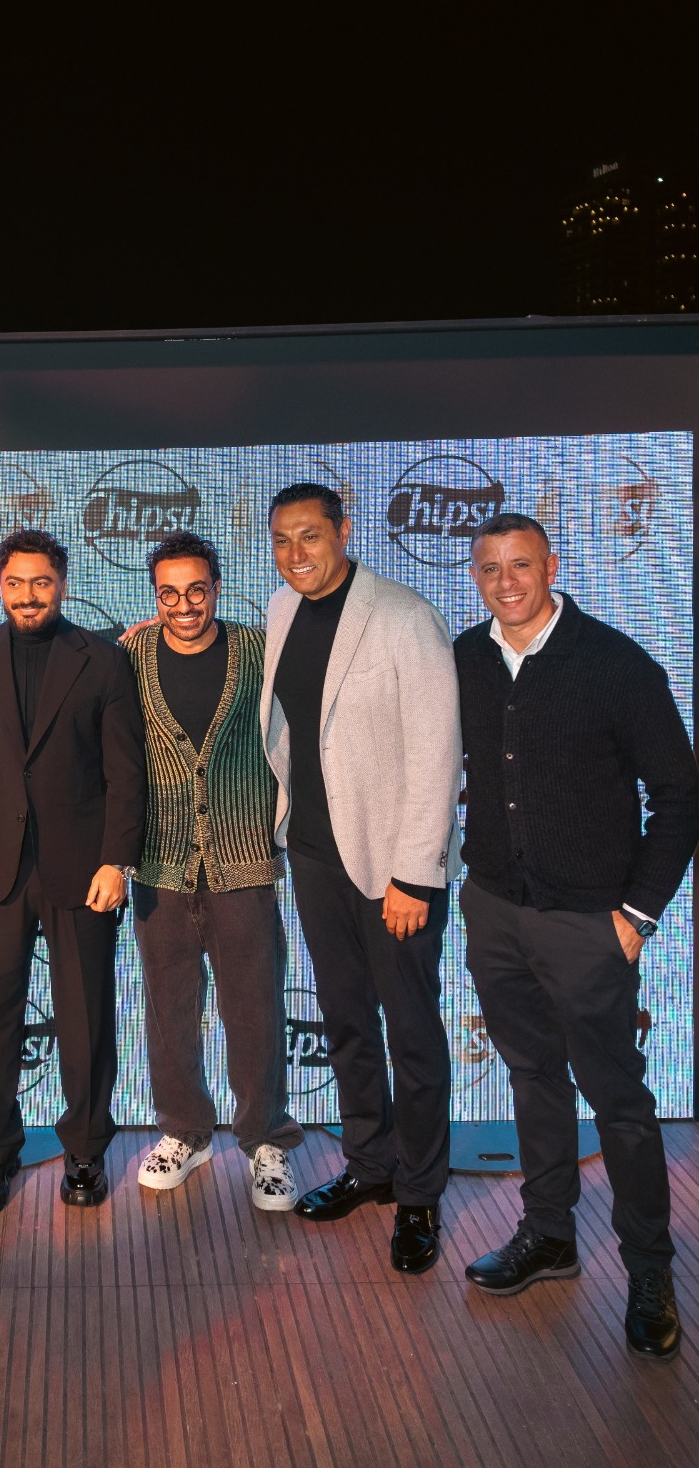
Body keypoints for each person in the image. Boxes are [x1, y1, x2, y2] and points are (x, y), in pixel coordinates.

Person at [456, 512, 699, 1360]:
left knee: (620, 1105)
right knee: (532, 1079)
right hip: (494, 911)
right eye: (490, 568)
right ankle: (550, 1234)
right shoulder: (466, 657)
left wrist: (637, 916)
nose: (507, 582)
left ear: (551, 566)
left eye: (521, 564)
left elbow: (680, 796)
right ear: (476, 576)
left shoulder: (617, 664)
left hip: (591, 925)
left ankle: (650, 1271)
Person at [260, 481, 461, 1273]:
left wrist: (415, 874)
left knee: (411, 1033)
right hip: (314, 856)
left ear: (343, 531)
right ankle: (370, 1164)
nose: (295, 553)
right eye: (282, 540)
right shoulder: (281, 610)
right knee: (346, 1023)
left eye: (309, 535)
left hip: (393, 872)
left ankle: (419, 1193)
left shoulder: (405, 617)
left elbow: (438, 754)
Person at [0, 528, 146, 1217]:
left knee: (86, 1020)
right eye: (15, 583)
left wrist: (116, 860)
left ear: (63, 584)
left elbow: (125, 773)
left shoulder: (103, 660)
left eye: (41, 582)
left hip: (83, 871)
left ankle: (85, 1149)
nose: (28, 596)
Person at [124, 531, 304, 1207]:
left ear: (217, 588)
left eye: (196, 590)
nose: (184, 605)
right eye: (169, 593)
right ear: (155, 596)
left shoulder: (260, 650)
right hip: (159, 862)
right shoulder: (129, 656)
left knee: (254, 1007)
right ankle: (184, 1131)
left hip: (244, 858)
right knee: (169, 1008)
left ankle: (265, 1140)